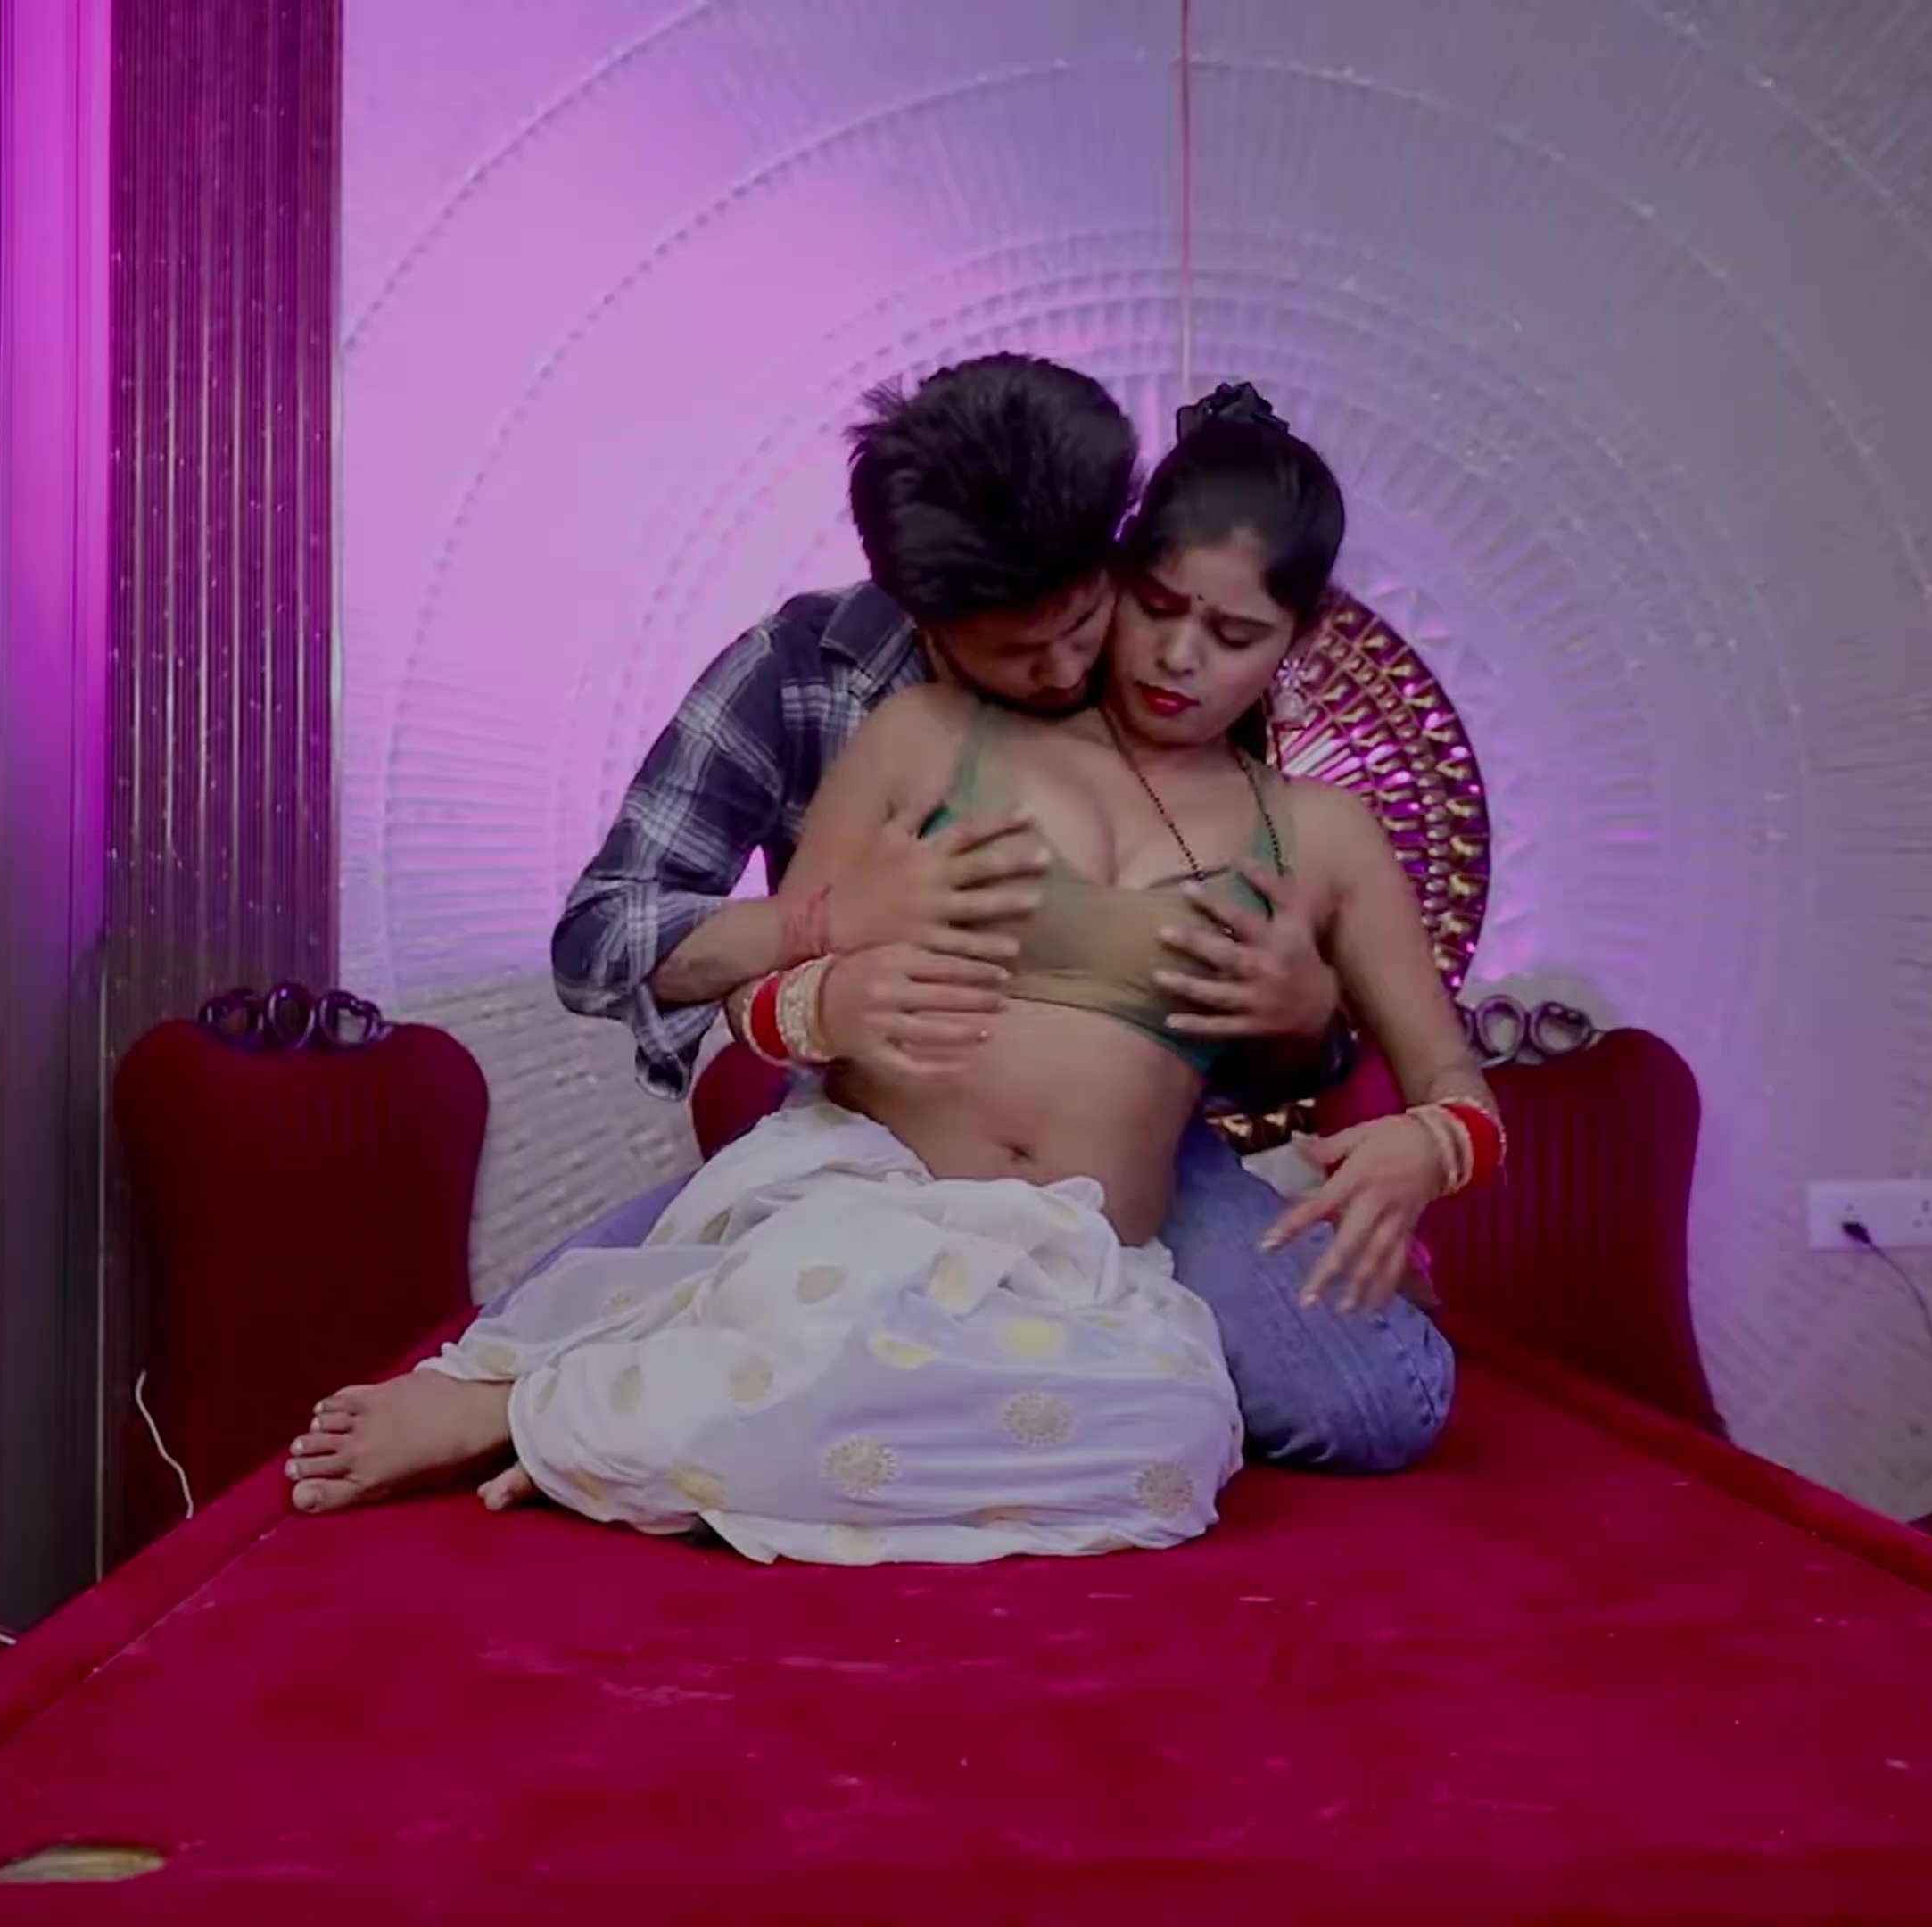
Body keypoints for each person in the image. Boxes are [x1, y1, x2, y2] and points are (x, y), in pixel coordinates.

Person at [282, 385, 1507, 1564]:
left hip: (1108, 1211)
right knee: (638, 1304)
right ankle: (563, 1399)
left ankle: (679, 1397)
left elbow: (1438, 1076)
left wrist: (1397, 1116)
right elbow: (645, 957)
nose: (1148, 660)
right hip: (873, 1156)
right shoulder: (909, 720)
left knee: (1246, 1424)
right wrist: (820, 949)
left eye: (1229, 636)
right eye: (1150, 611)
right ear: (927, 617)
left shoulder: (1313, 828)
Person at [552, 354, 1452, 1471]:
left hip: (1127, 1161)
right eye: (1025, 651)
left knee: (1362, 1400)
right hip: (875, 1123)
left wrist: (1313, 1024)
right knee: (559, 1332)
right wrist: (816, 928)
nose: (1077, 669)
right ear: (923, 613)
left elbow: (1208, 1013)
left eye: (1088, 617)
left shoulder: (1166, 672)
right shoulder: (807, 676)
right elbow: (600, 943)